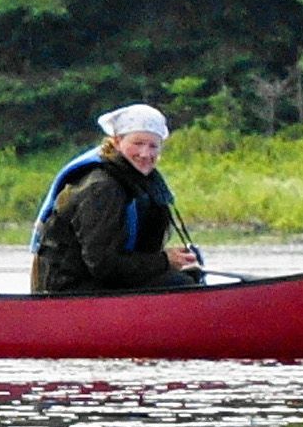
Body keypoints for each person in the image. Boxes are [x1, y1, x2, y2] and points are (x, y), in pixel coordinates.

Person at [29, 102, 206, 294]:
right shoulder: (102, 188)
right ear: (116, 142)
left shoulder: (137, 182)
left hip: (97, 280)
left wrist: (173, 261)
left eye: (153, 146)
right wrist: (165, 261)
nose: (145, 153)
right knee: (181, 285)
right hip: (67, 289)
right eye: (137, 143)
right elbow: (103, 266)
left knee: (190, 277)